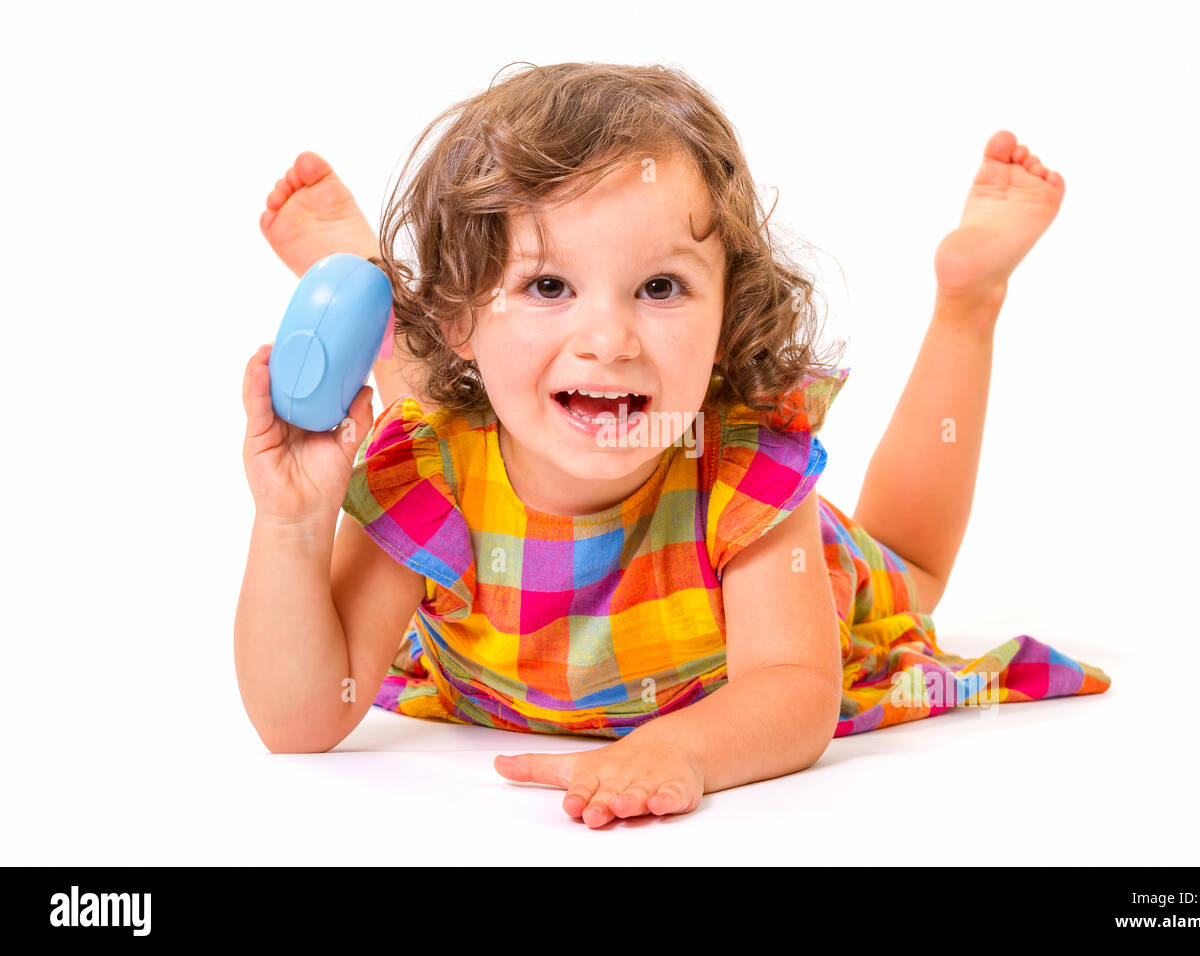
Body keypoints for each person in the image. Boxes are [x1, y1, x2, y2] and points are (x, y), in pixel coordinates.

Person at [237, 62, 1110, 828]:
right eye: (549, 283)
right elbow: (303, 719)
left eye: (659, 286)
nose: (608, 338)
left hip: (813, 578)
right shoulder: (425, 482)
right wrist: (289, 525)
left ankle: (970, 302)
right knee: (462, 412)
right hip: (472, 403)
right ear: (458, 313)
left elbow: (796, 693)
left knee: (911, 571)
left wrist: (683, 750)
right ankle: (372, 299)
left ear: (727, 315)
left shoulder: (739, 474)